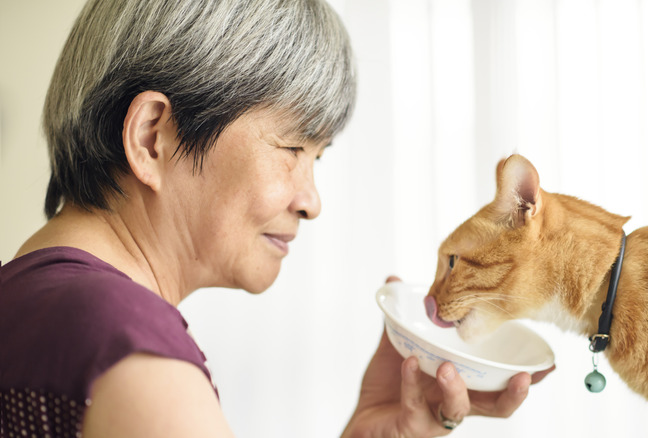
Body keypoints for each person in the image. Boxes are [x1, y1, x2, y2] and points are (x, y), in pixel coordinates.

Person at [0, 0, 553, 436]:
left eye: (319, 157)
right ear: (153, 137)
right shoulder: (125, 338)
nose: (312, 201)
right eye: (292, 149)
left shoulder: (25, 302)